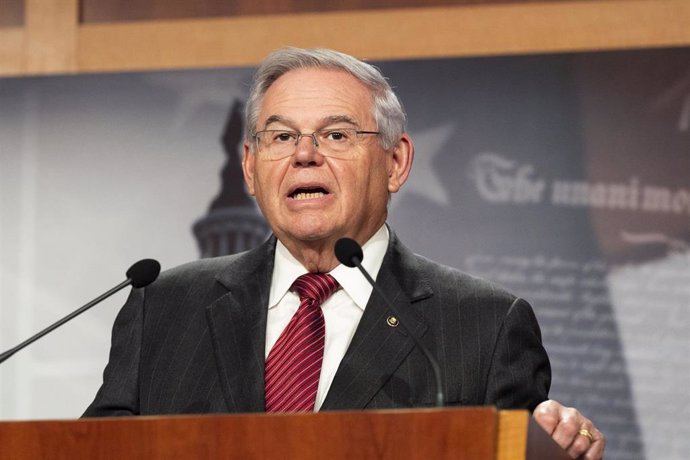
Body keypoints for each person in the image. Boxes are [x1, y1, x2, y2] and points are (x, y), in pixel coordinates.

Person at [84, 47, 605, 459]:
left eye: (336, 134)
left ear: (396, 162)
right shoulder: (164, 308)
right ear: (249, 167)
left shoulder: (486, 325)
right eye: (281, 136)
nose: (304, 155)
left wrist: (560, 453)